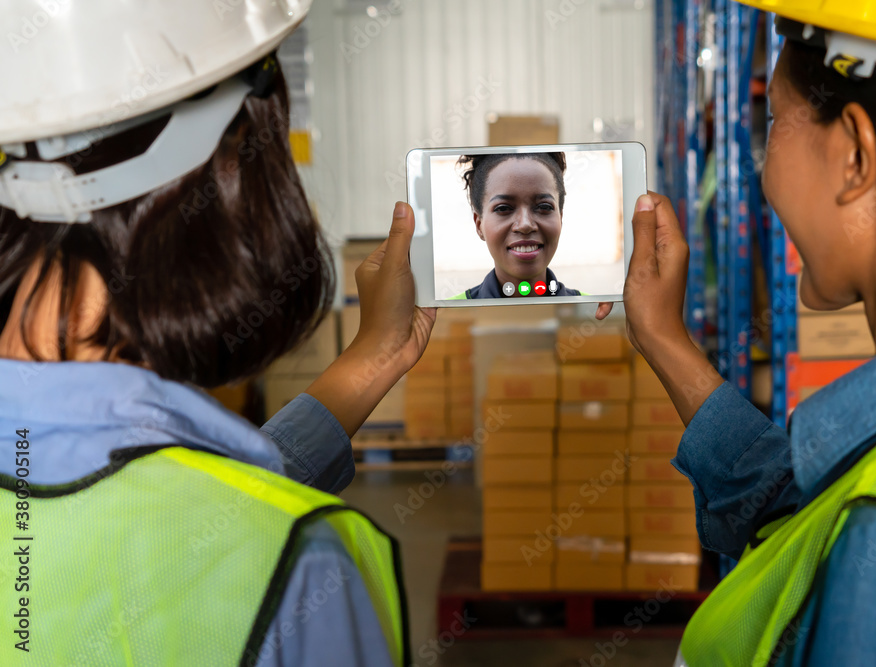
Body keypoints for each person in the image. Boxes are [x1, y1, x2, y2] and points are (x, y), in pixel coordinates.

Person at [0, 2, 435, 665]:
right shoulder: (295, 566)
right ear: (208, 164)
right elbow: (200, 520)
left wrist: (374, 357)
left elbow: (156, 493)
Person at [597, 2, 876, 665]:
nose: (764, 168)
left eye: (774, 122)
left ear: (854, 155)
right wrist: (664, 339)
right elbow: (800, 513)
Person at [448, 152, 583, 299]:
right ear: (478, 225)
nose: (525, 225)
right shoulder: (443, 316)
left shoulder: (594, 311)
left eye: (544, 206)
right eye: (503, 208)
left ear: (560, 218)